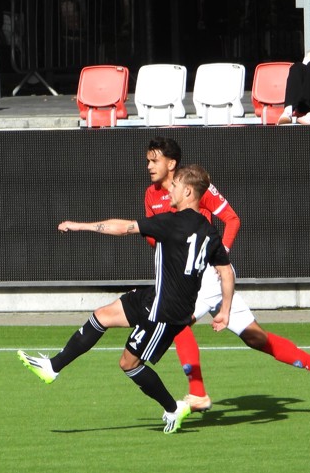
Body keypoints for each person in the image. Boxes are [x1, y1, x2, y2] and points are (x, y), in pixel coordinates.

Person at [18, 165, 235, 434]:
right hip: (156, 296)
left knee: (129, 363)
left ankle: (172, 408)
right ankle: (53, 367)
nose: (171, 189)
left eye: (176, 185)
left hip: (165, 312)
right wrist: (224, 310)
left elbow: (123, 228)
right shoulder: (209, 231)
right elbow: (226, 272)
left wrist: (79, 225)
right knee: (102, 315)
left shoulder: (170, 222)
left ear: (188, 191)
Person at [143, 137, 310, 410]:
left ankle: (198, 392)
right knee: (256, 338)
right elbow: (154, 239)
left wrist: (217, 256)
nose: (149, 166)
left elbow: (232, 219)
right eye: (148, 161)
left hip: (209, 276)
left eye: (154, 160)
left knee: (177, 322)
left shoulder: (194, 185)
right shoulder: (151, 194)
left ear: (171, 163)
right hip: (189, 277)